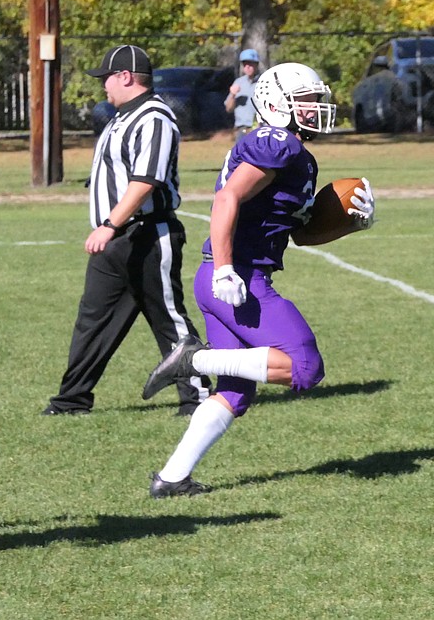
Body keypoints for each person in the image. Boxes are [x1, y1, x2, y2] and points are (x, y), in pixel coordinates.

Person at [140, 62, 376, 498]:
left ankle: (171, 478)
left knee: (235, 393)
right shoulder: (277, 142)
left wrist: (347, 224)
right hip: (235, 277)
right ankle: (193, 360)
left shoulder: (299, 157)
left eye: (315, 101)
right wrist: (227, 267)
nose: (315, 109)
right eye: (305, 101)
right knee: (305, 367)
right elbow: (227, 195)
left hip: (229, 276)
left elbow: (301, 235)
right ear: (275, 104)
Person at [43, 44, 208, 416]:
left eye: (106, 78)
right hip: (116, 242)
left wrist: (109, 224)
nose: (103, 86)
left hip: (147, 234)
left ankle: (197, 395)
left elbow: (146, 180)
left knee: (168, 318)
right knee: (93, 320)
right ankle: (72, 399)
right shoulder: (121, 117)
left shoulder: (154, 117)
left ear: (126, 77)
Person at [225, 48, 261, 143]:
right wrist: (233, 95)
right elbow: (228, 109)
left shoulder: (264, 82)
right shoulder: (238, 82)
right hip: (242, 130)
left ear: (256, 64)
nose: (247, 67)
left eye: (250, 64)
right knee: (241, 157)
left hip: (260, 129)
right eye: (245, 64)